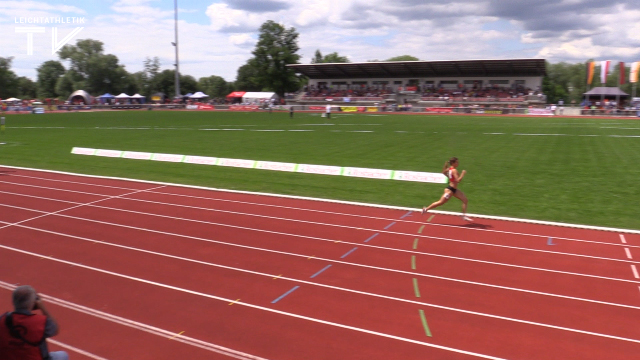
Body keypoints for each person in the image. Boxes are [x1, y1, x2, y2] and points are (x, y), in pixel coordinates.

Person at [0, 286, 69, 360]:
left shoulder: (2, 319)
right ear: (33, 303)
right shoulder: (40, 322)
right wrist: (42, 308)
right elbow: (54, 329)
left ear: (13, 301)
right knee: (63, 355)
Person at [422, 157, 472, 221]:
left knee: (465, 200)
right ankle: (426, 209)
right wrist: (462, 174)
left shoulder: (449, 169)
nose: (458, 163)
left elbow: (443, 172)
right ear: (453, 163)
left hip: (454, 190)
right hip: (449, 190)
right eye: (456, 162)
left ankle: (464, 216)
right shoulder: (454, 170)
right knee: (440, 202)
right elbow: (458, 181)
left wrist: (446, 169)